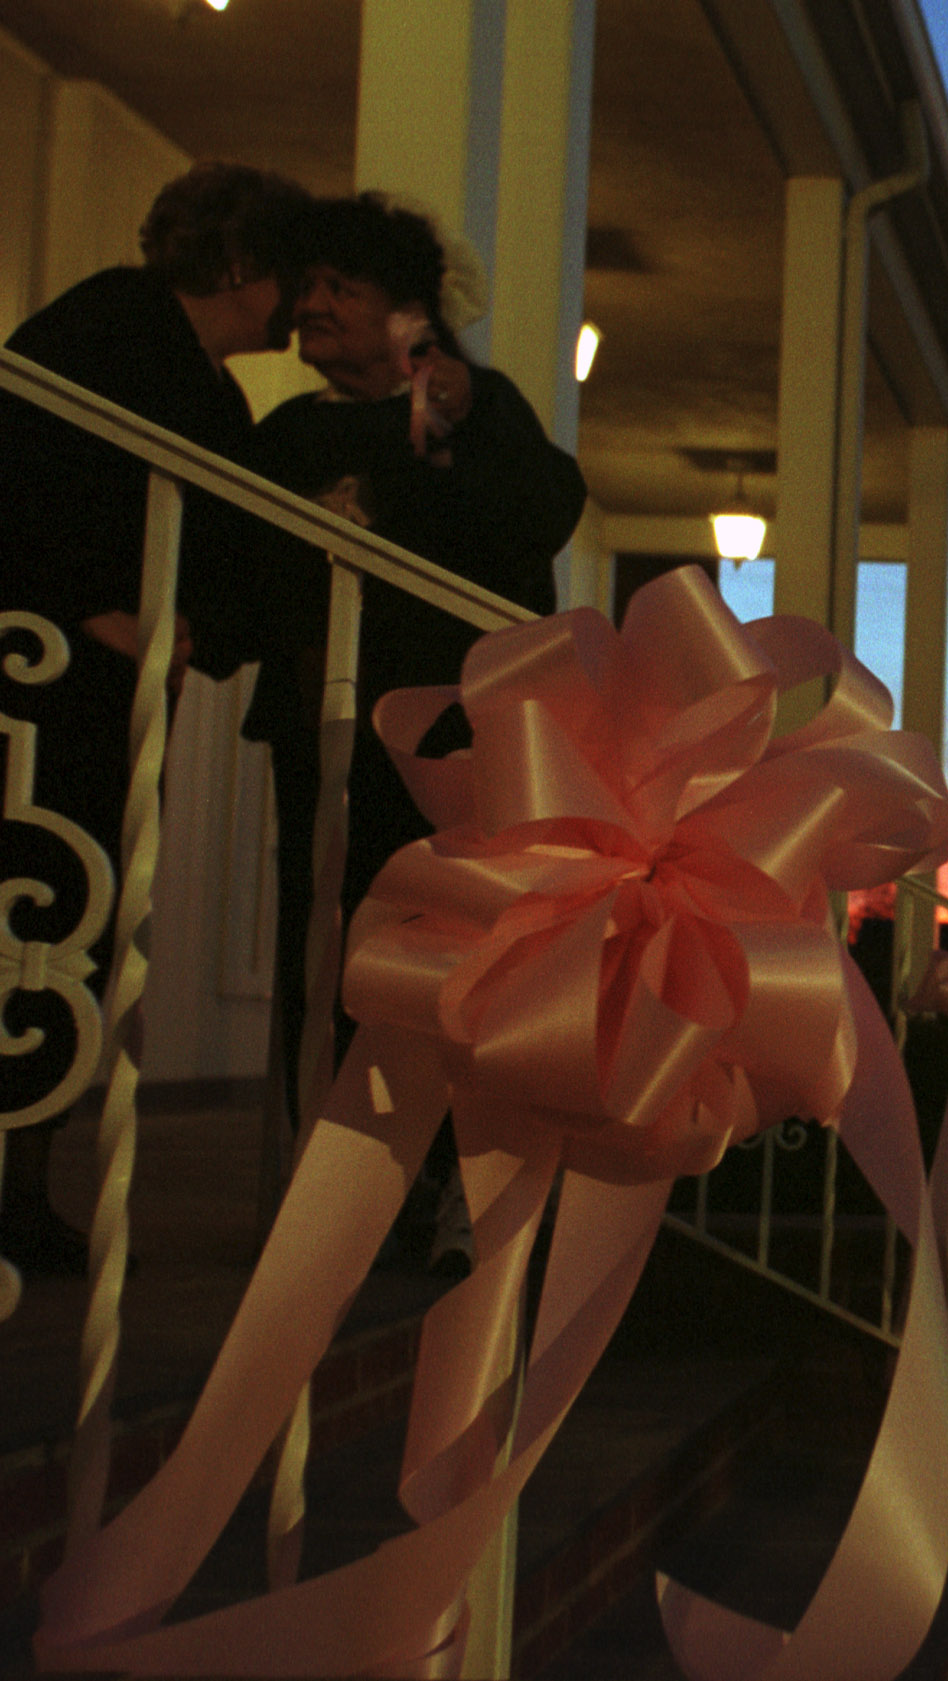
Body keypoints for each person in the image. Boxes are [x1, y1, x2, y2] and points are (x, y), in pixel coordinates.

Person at [242, 192, 582, 1272]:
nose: (311, 309)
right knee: (332, 952)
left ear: (407, 310)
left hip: (452, 749)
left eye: (341, 288)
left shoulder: (486, 417)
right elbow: (252, 557)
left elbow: (532, 517)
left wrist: (451, 418)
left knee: (457, 960)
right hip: (326, 733)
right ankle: (338, 1186)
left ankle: (450, 1180)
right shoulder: (297, 432)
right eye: (307, 290)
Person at [0, 161, 309, 1274]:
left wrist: (193, 632)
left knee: (76, 935)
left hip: (108, 698)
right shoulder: (104, 333)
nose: (298, 304)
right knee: (38, 916)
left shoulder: (202, 383)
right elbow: (30, 479)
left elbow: (222, 545)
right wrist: (100, 610)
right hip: (49, 688)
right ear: (238, 266)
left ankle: (23, 1182)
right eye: (285, 275)